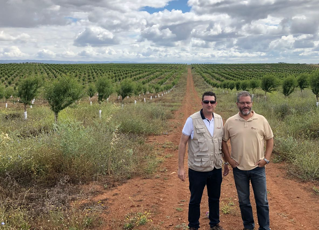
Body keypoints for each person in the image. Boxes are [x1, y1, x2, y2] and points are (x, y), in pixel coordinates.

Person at [222, 91, 274, 230]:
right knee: (244, 202)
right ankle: (248, 226)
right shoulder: (230, 122)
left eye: (248, 102)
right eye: (242, 103)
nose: (245, 105)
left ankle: (264, 227)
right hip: (239, 169)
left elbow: (270, 139)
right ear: (237, 104)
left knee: (262, 201)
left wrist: (266, 159)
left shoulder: (261, 120)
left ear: (251, 103)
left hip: (258, 168)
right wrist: (229, 160)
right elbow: (223, 142)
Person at [178, 91, 229, 230]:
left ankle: (214, 223)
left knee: (214, 198)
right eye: (206, 102)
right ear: (202, 103)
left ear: (215, 104)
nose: (209, 104)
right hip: (197, 169)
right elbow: (182, 143)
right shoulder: (192, 120)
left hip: (215, 167)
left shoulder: (219, 119)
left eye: (212, 102)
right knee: (195, 200)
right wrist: (181, 168)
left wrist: (225, 162)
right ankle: (193, 226)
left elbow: (221, 144)